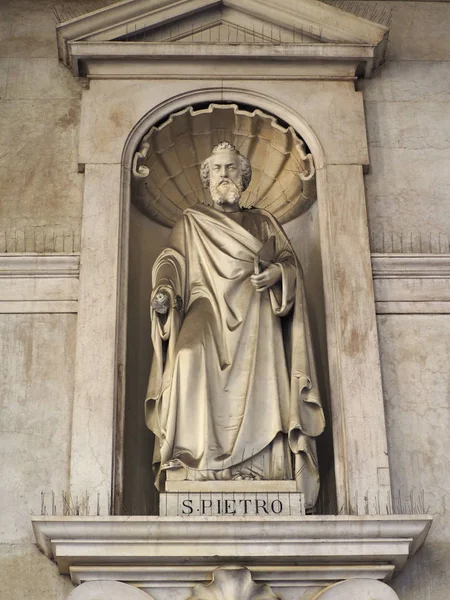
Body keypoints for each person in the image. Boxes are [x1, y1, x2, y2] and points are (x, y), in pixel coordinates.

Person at [146, 142, 325, 508]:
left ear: (243, 178)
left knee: (264, 373)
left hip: (256, 317)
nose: (224, 175)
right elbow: (172, 261)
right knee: (186, 357)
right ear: (207, 177)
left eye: (231, 169)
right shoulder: (191, 221)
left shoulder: (262, 222)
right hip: (205, 305)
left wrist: (278, 273)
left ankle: (265, 465)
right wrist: (164, 290)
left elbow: (290, 263)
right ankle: (192, 459)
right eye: (218, 169)